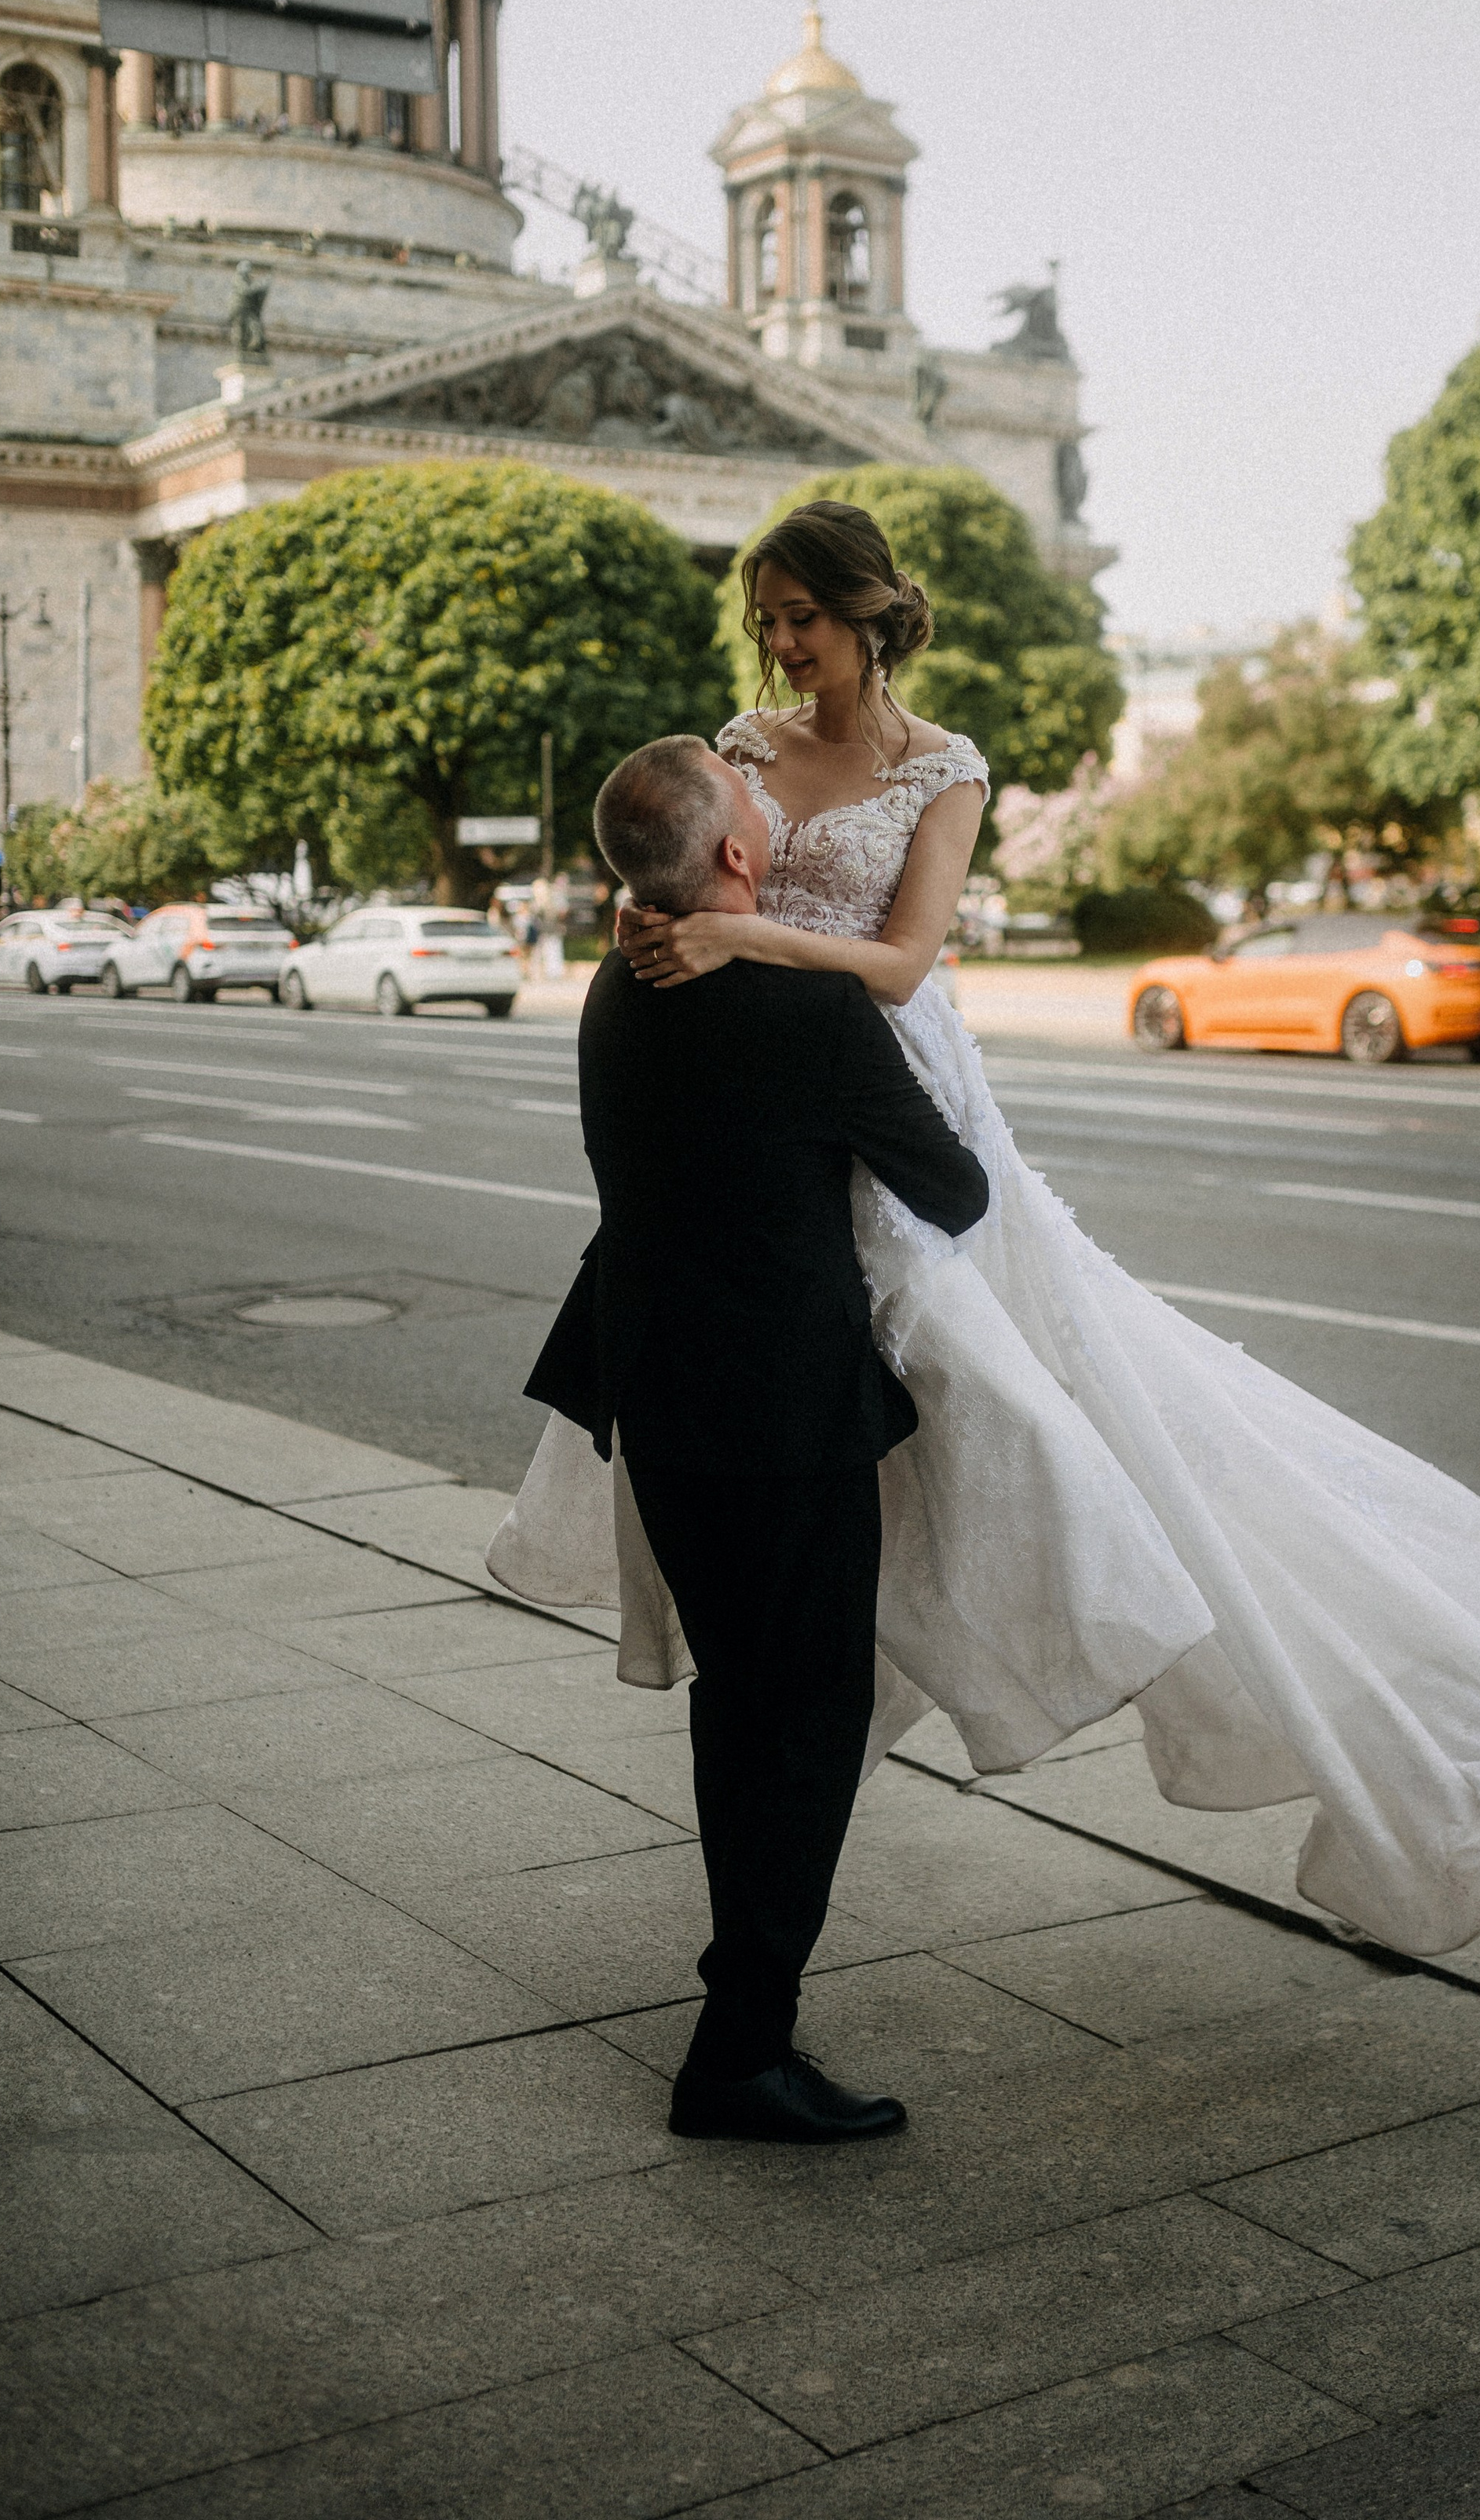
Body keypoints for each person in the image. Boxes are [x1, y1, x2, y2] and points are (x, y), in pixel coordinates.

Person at [492, 500, 1480, 1973]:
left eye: (802, 615)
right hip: (776, 1104)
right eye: (768, 618)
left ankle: (1383, 1724)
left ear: (869, 614)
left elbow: (906, 960)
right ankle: (806, 1749)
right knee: (834, 1467)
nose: (781, 644)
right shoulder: (737, 749)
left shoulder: (945, 772)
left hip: (885, 1084)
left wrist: (743, 940)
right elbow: (681, 867)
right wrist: (656, 920)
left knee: (1080, 1438)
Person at [521, 733, 990, 2143]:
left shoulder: (616, 984)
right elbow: (954, 1190)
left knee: (743, 1699)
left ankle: (744, 2012)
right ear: (737, 859)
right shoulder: (813, 1018)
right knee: (809, 1719)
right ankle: (740, 2048)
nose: (774, 810)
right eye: (756, 811)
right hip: (785, 1412)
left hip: (657, 1388)